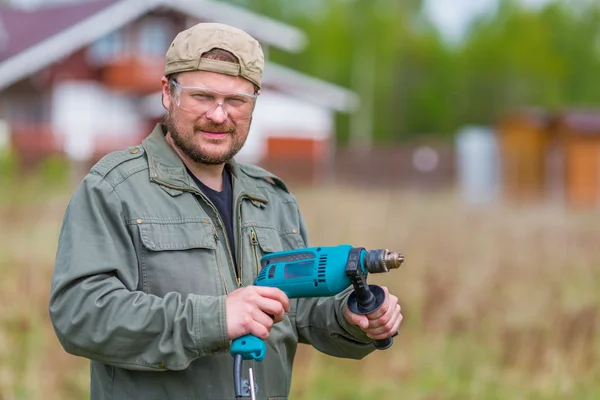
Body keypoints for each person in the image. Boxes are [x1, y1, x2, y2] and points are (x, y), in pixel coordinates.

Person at [49, 22, 402, 399]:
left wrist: (350, 319)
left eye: (236, 101)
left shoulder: (272, 198)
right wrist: (214, 320)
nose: (219, 116)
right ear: (168, 94)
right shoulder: (114, 190)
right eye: (202, 96)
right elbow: (80, 315)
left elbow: (297, 314)